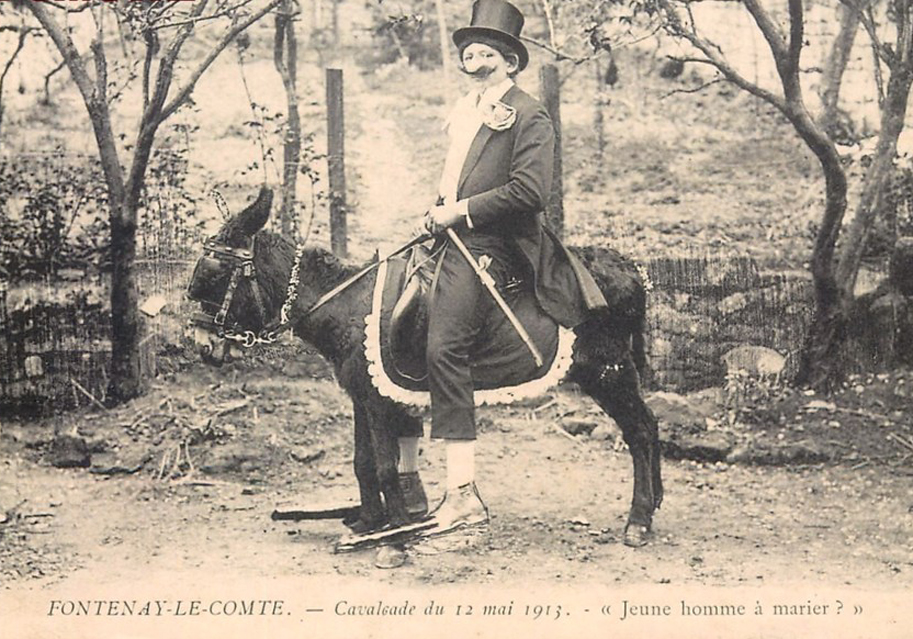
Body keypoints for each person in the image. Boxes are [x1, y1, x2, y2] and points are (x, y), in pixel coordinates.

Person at [397, 0, 608, 536]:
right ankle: (401, 478)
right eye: (470, 45)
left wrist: (458, 213)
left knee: (445, 346)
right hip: (449, 236)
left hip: (497, 242)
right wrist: (436, 212)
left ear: (511, 60)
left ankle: (462, 494)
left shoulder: (529, 113)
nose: (475, 51)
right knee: (393, 317)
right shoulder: (466, 110)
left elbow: (530, 192)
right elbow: (456, 182)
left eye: (489, 46)